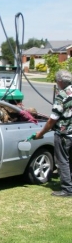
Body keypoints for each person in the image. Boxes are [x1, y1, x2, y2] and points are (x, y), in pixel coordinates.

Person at [35, 69, 72, 197]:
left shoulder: (62, 96)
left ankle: (67, 189)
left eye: (57, 81)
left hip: (64, 135)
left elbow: (52, 120)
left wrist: (41, 133)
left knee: (62, 161)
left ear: (60, 81)